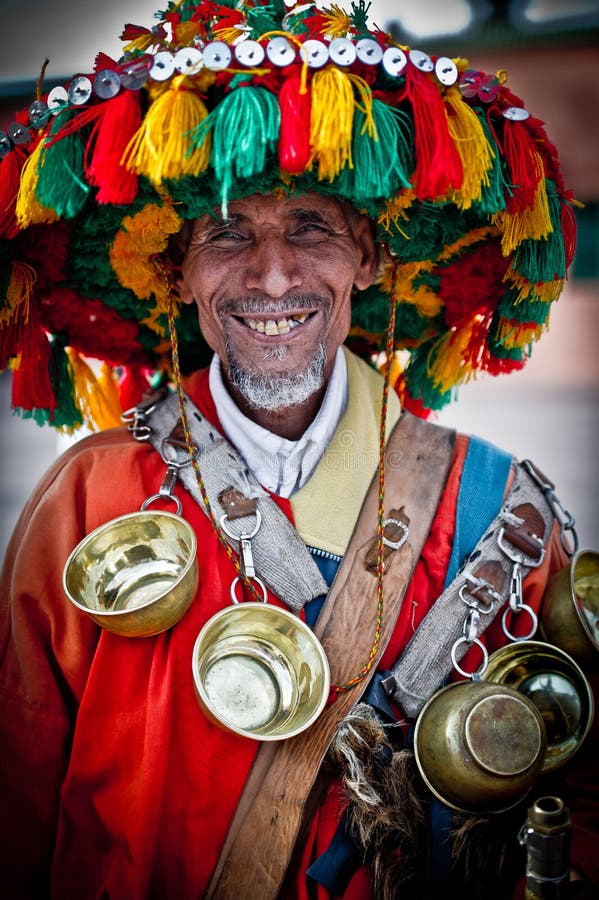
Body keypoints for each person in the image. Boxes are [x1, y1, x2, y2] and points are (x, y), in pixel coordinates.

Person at [0, 2, 597, 898]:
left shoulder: (498, 515)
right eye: (228, 233)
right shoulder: (92, 500)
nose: (272, 277)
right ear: (179, 273)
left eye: (311, 227)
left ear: (366, 256)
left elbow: (572, 811)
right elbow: (14, 810)